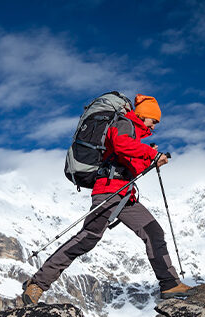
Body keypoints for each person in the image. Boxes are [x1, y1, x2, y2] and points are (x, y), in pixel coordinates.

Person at [20, 94, 193, 305]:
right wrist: (150, 154)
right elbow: (121, 145)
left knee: (153, 232)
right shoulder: (124, 123)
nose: (154, 126)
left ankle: (170, 284)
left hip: (124, 194)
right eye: (153, 120)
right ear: (143, 115)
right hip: (108, 192)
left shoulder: (132, 134)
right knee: (87, 238)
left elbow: (128, 164)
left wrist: (151, 160)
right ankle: (37, 284)